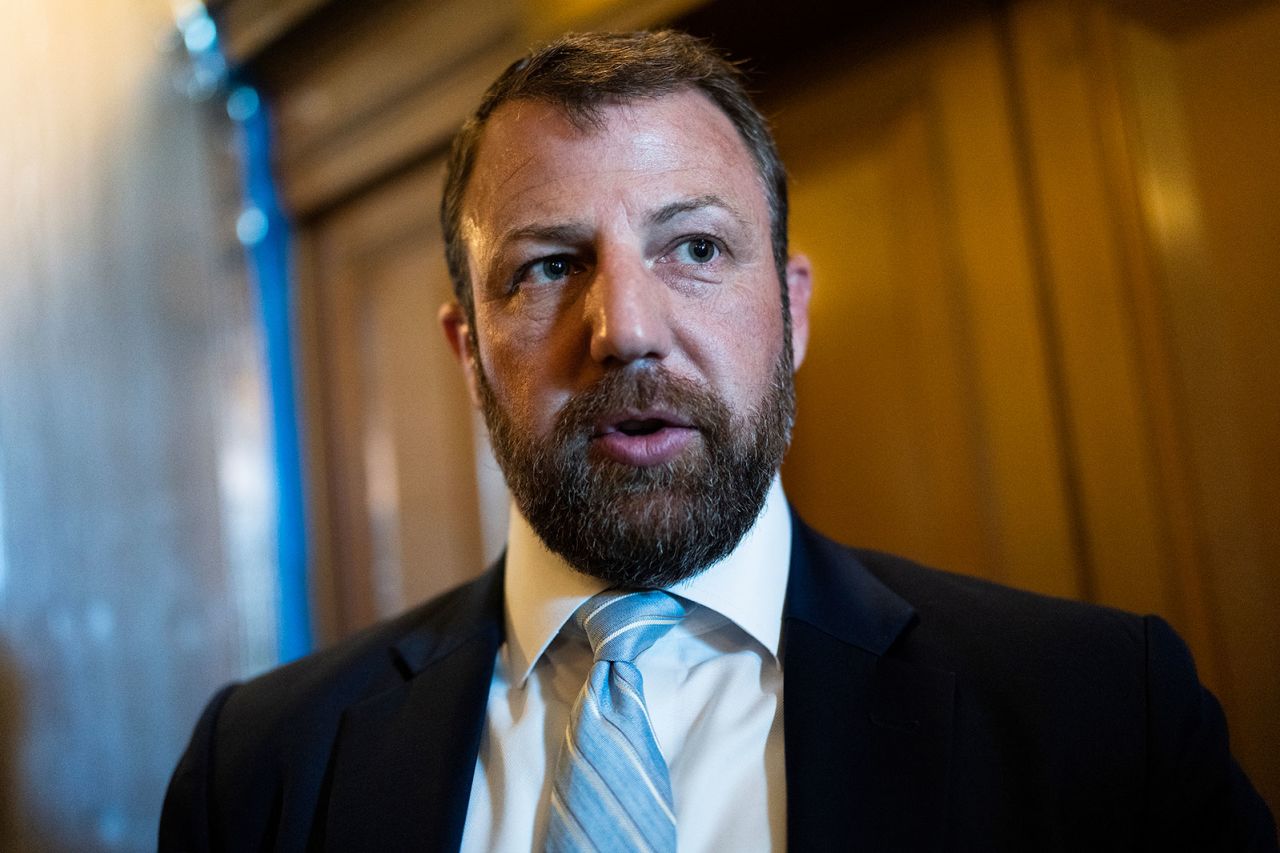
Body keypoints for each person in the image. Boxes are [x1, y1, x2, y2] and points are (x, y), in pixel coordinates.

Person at [160, 29, 1277, 852]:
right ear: (466, 351)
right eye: (549, 265)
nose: (626, 330)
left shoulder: (1097, 714)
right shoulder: (258, 767)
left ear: (791, 312)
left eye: (692, 247)